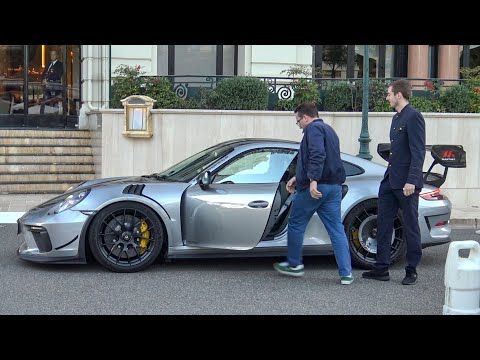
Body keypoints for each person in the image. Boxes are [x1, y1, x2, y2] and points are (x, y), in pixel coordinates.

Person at [273, 102, 353, 285]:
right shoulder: (329, 130)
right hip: (333, 188)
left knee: (295, 222)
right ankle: (346, 273)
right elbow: (323, 158)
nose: (298, 125)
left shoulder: (312, 129)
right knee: (336, 229)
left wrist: (312, 181)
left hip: (317, 187)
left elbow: (317, 155)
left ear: (306, 117)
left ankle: (294, 264)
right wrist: (297, 177)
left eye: (298, 121)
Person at [362, 79, 426, 285]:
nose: (387, 97)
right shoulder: (396, 118)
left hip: (406, 184)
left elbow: (418, 152)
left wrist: (412, 181)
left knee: (410, 226)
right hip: (390, 181)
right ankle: (381, 268)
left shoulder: (414, 117)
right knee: (383, 223)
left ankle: (411, 270)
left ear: (399, 95)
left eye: (389, 94)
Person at [40, 49, 63, 114]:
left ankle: (55, 116)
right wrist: (44, 79)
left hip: (55, 87)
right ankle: (45, 115)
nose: (52, 56)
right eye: (51, 54)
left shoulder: (60, 64)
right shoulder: (48, 64)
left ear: (57, 56)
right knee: (46, 101)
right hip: (47, 87)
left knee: (54, 102)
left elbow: (58, 75)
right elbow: (44, 73)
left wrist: (47, 80)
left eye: (54, 54)